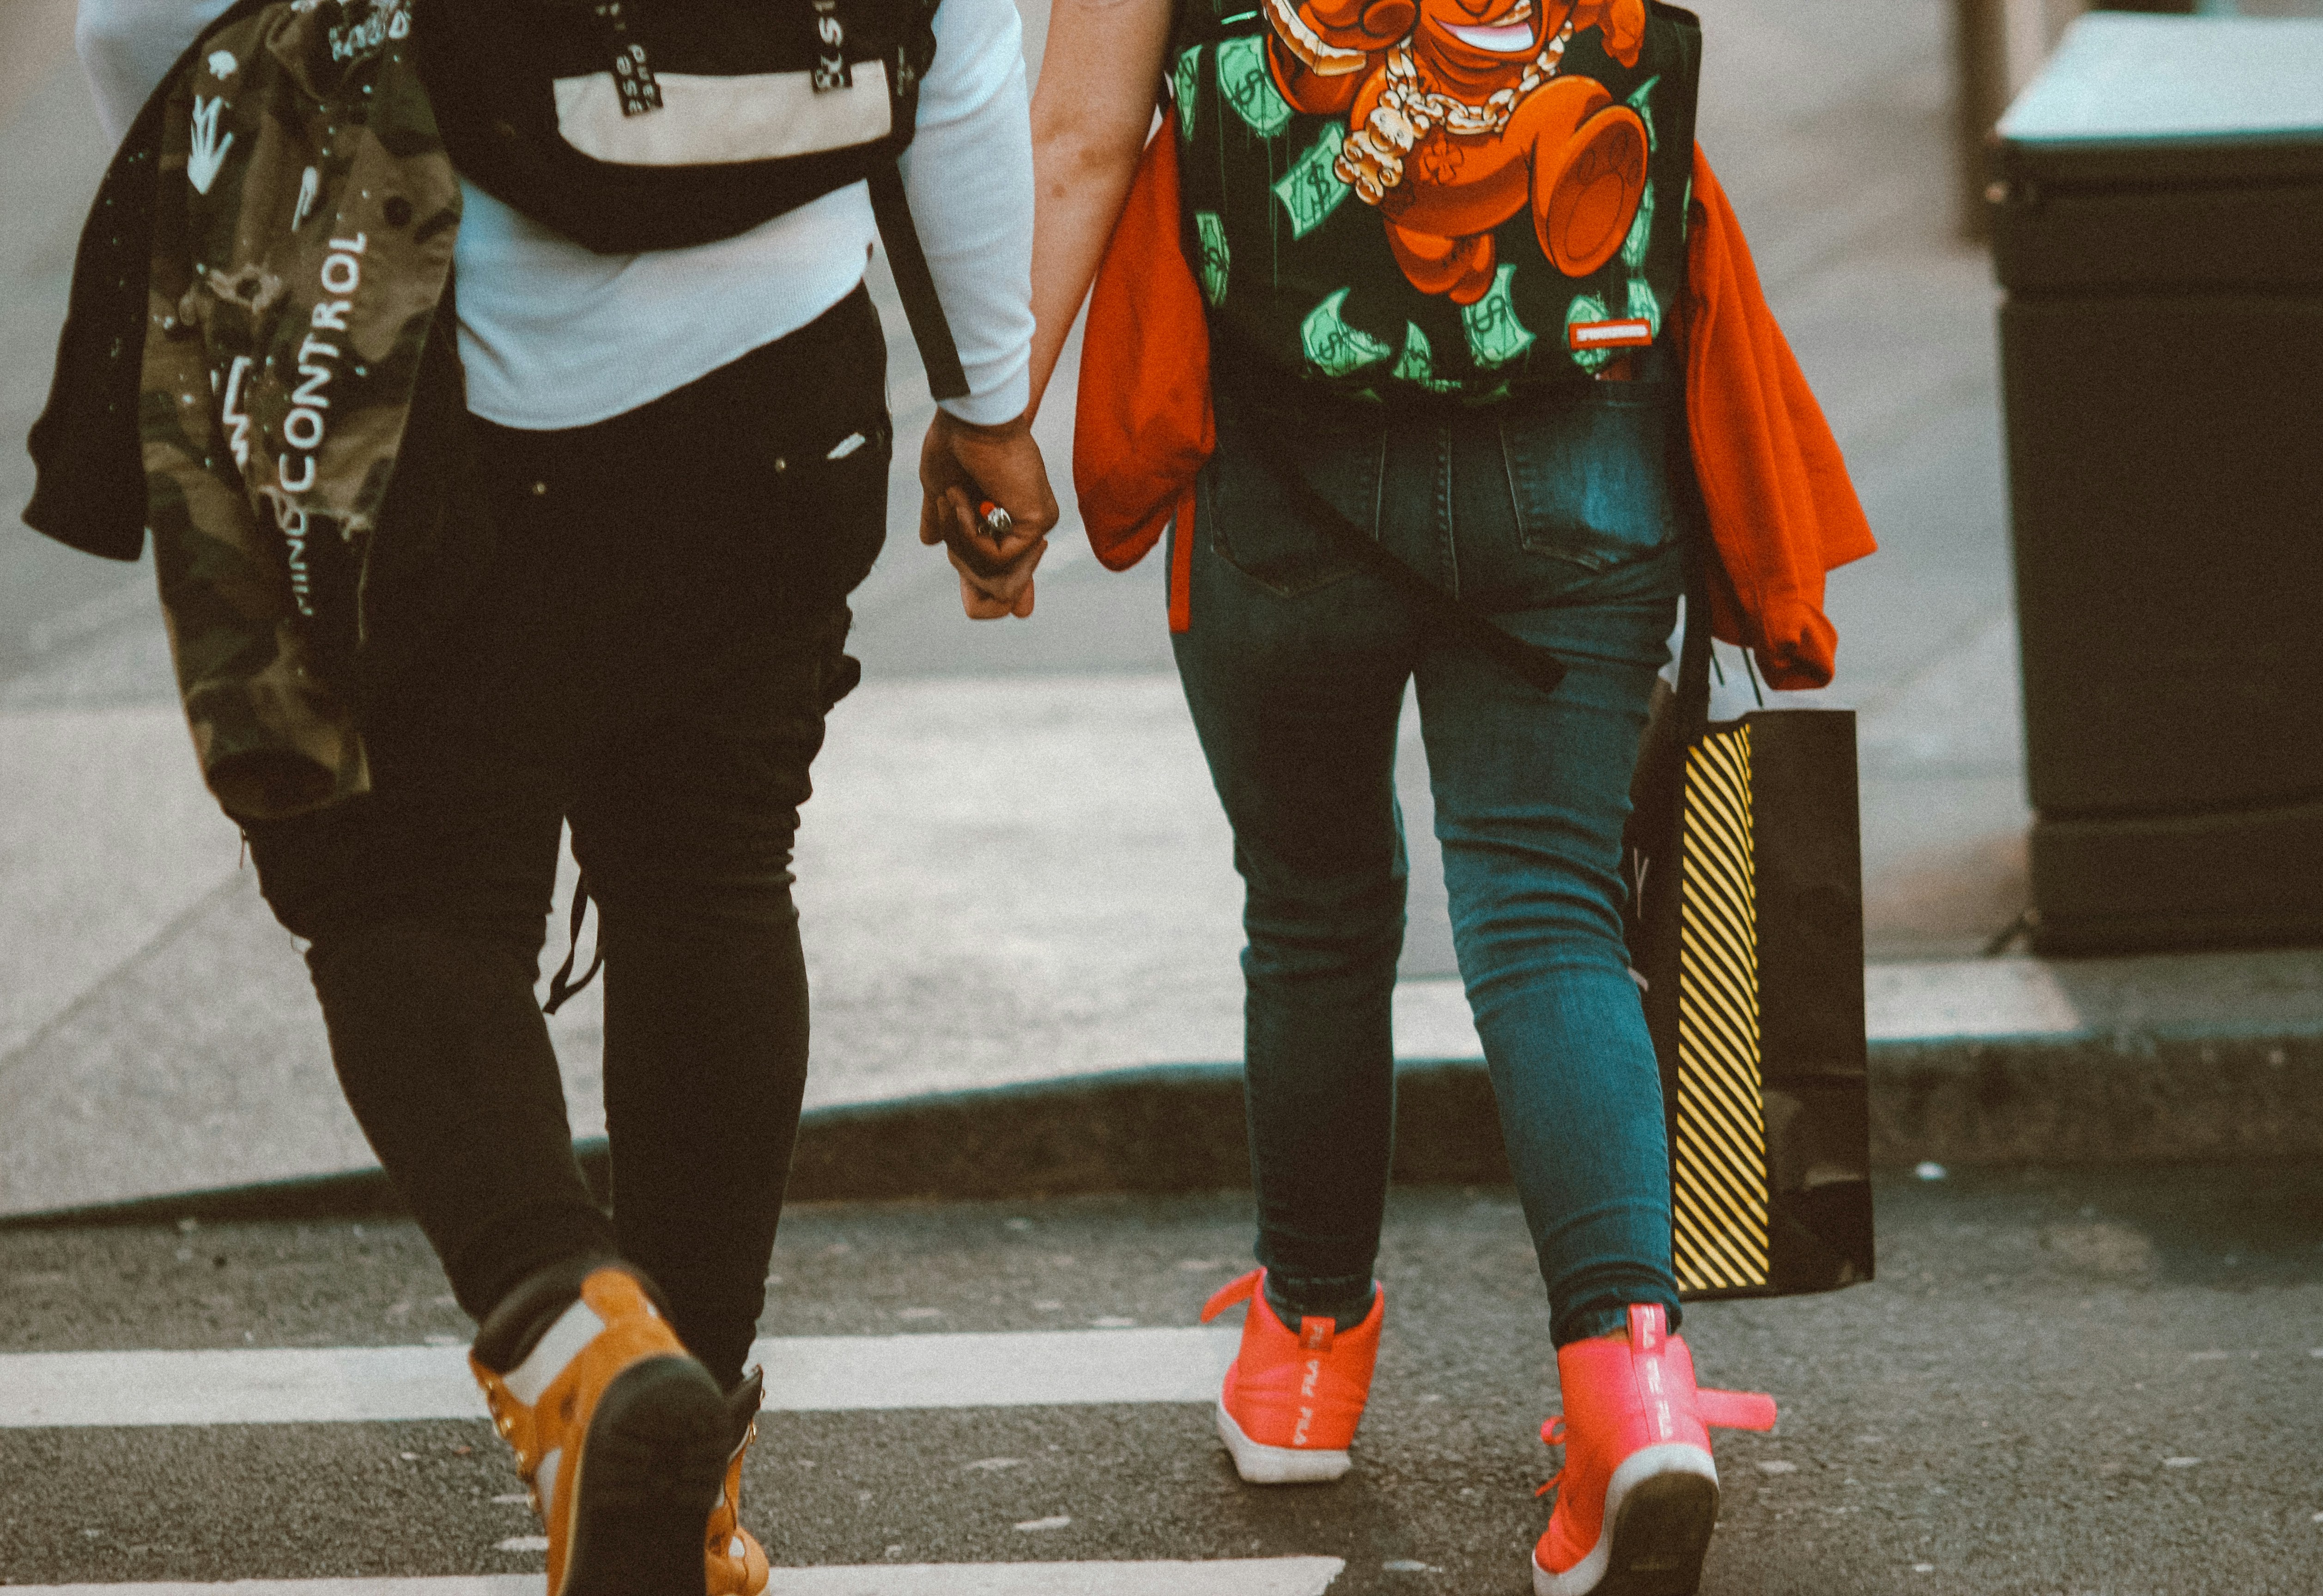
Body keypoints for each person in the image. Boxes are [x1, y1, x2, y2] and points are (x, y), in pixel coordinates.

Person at [57, 1, 1056, 1591]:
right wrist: (990, 400)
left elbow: (138, 24)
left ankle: (581, 1350)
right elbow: (972, 40)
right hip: (790, 402)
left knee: (394, 884)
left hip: (448, 401)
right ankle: (695, 1482)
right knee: (713, 877)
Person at [1010, 0, 1811, 1590]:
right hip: (1577, 433)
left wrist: (993, 417)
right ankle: (1631, 1382)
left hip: (1281, 464)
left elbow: (1085, 136)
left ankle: (1303, 1353)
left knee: (1310, 907)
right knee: (1549, 916)